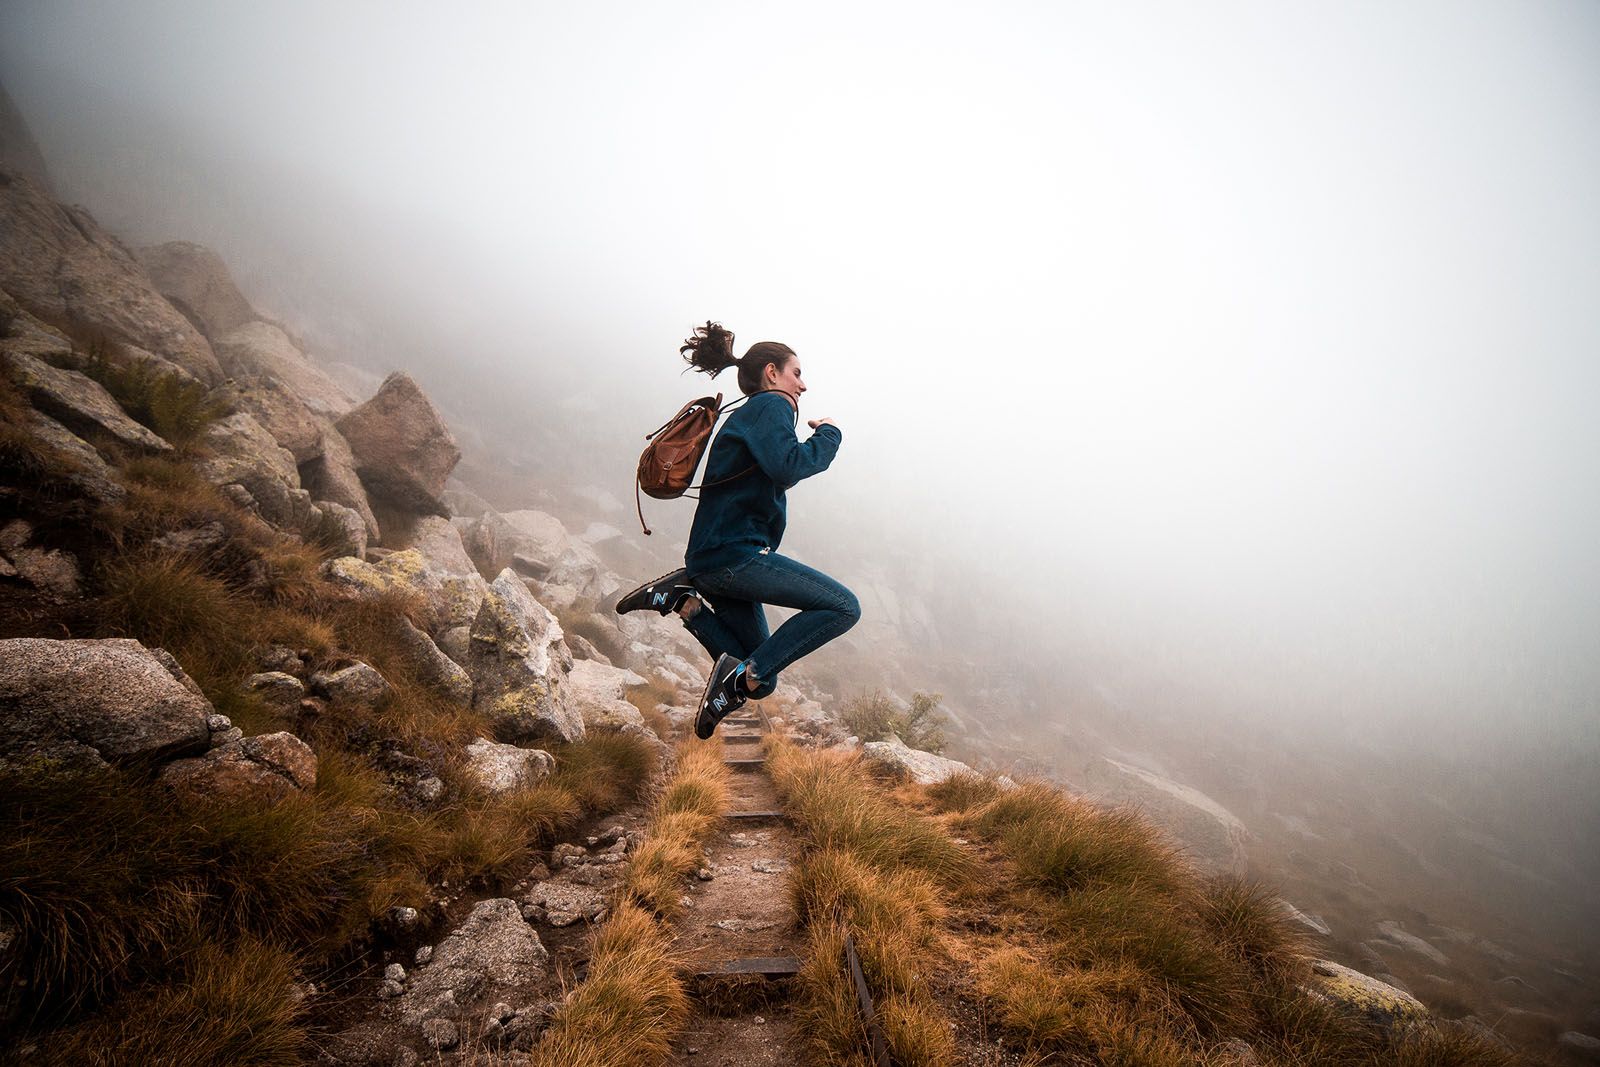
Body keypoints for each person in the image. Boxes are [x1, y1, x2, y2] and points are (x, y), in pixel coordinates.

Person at [616, 321, 859, 739]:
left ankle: (685, 603)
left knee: (762, 679)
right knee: (843, 607)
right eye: (796, 373)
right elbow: (789, 466)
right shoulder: (771, 406)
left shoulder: (750, 415)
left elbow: (775, 467)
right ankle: (733, 676)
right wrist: (831, 435)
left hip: (712, 560)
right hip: (734, 557)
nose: (802, 385)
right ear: (771, 373)